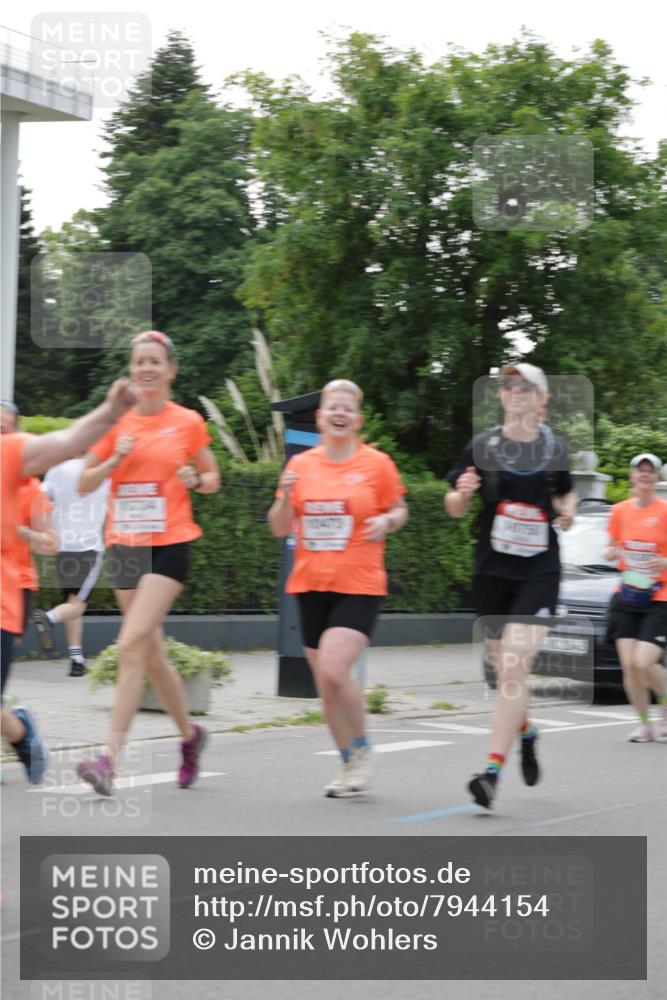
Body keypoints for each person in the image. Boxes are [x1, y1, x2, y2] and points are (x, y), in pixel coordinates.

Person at [75, 330, 221, 796]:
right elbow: (83, 482)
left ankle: (108, 759)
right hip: (124, 547)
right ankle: (190, 736)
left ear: (170, 370)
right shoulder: (117, 424)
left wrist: (196, 479)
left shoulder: (188, 422)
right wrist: (112, 459)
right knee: (152, 656)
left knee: (132, 642)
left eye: (156, 361)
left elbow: (213, 477)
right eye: (140, 362)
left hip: (170, 545)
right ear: (132, 369)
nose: (147, 369)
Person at [445, 363, 577, 809]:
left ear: (542, 399)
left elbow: (565, 492)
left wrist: (567, 510)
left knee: (516, 665)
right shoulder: (483, 446)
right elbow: (453, 506)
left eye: (526, 385)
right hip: (492, 572)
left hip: (539, 570)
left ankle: (490, 773)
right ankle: (527, 731)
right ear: (502, 396)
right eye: (509, 385)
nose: (516, 391)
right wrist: (461, 492)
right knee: (508, 675)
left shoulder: (555, 447)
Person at [268, 378, 408, 797]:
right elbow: (279, 527)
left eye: (348, 408)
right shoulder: (300, 467)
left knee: (332, 670)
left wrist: (387, 521)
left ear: (358, 419)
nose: (340, 413)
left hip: (360, 583)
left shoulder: (377, 464)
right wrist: (283, 499)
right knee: (326, 683)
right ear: (321, 417)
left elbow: (400, 508)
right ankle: (348, 764)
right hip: (310, 583)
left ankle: (362, 747)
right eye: (334, 407)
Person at [1, 382, 136, 784]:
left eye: (4, 426)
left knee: (75, 605)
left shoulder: (15, 466)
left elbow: (68, 441)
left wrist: (110, 412)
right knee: (75, 606)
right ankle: (70, 656)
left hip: (12, 589)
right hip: (70, 552)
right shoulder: (52, 477)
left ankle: (22, 732)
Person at [604, 453, 667, 742]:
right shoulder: (619, 511)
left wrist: (664, 563)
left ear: (657, 478)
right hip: (627, 594)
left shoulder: (665, 512)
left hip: (659, 596)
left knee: (644, 662)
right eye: (639, 471)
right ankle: (644, 724)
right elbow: (611, 545)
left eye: (649, 471)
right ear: (631, 477)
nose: (644, 475)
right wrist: (611, 552)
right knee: (629, 664)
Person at [32, 455, 109, 676]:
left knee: (71, 603)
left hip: (63, 547)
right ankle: (48, 618)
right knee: (77, 606)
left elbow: (40, 497)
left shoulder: (57, 468)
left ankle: (77, 660)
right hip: (89, 547)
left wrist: (46, 530)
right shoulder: (104, 469)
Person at [0, 403, 58, 645]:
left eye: (3, 430)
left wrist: (23, 533)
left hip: (15, 585)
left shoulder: (30, 487)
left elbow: (50, 544)